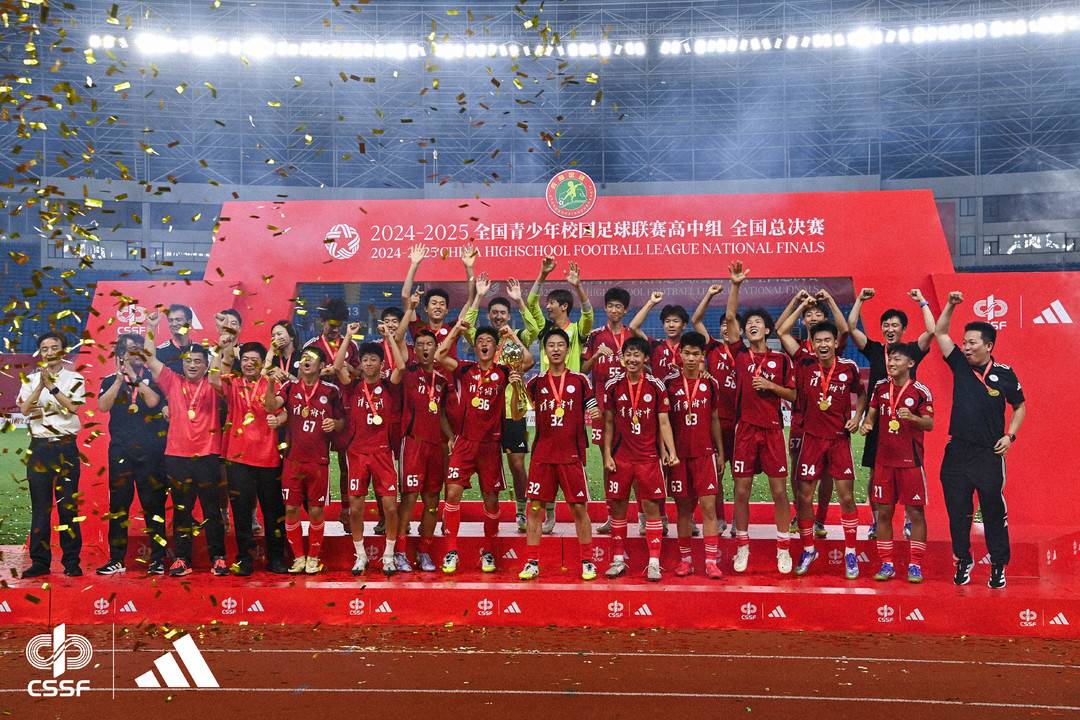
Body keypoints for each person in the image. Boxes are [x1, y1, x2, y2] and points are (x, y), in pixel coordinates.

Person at [934, 291, 1026, 589]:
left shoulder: (1005, 374)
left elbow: (1020, 406)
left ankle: (998, 565)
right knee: (957, 512)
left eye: (972, 343)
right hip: (957, 453)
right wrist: (951, 305)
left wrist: (1010, 435)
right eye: (965, 342)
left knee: (993, 511)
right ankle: (963, 559)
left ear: (989, 345)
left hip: (988, 454)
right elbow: (940, 333)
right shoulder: (959, 364)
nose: (966, 347)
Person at [435, 315, 531, 574]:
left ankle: (488, 552)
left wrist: (511, 336)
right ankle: (451, 551)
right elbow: (440, 355)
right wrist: (457, 329)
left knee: (491, 499)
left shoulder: (503, 371)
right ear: (475, 347)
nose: (484, 344)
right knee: (452, 493)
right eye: (480, 341)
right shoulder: (465, 369)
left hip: (490, 446)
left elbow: (528, 361)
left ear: (495, 346)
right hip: (465, 442)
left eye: (489, 341)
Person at [777, 317, 865, 579]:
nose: (823, 344)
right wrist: (800, 303)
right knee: (804, 497)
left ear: (836, 343)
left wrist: (857, 417)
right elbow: (782, 331)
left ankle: (850, 552)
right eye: (818, 341)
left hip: (839, 440)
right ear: (812, 344)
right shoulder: (804, 363)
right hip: (811, 440)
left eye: (828, 340)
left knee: (847, 497)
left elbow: (861, 393)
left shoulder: (849, 367)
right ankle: (808, 549)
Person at [724, 261, 796, 575]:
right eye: (749, 323)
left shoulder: (781, 359)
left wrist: (771, 387)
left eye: (758, 322)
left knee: (780, 492)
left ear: (767, 329)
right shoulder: (740, 354)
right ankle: (742, 548)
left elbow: (795, 396)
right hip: (745, 431)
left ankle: (783, 549)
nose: (752, 325)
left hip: (772, 431)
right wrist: (736, 284)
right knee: (741, 491)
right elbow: (730, 317)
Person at [143, 314, 227, 577]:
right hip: (177, 456)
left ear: (206, 365)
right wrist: (150, 327)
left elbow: (221, 367)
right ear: (182, 363)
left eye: (198, 361)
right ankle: (182, 559)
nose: (192, 365)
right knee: (182, 510)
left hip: (208, 455)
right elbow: (149, 358)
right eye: (188, 361)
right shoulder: (172, 381)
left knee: (212, 510)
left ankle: (218, 558)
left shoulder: (213, 384)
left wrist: (222, 341)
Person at [848, 288, 936, 539]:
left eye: (895, 325)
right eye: (886, 325)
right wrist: (860, 300)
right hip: (879, 421)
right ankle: (876, 521)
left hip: (907, 422)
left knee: (909, 473)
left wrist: (922, 302)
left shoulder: (911, 351)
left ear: (903, 329)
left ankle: (908, 520)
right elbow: (851, 327)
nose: (890, 329)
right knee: (875, 472)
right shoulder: (876, 350)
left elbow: (931, 331)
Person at [517, 329, 599, 581]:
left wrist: (596, 422)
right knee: (534, 509)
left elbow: (595, 410)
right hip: (543, 456)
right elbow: (519, 411)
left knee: (579, 508)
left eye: (560, 345)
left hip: (571, 456)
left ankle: (587, 561)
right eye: (550, 345)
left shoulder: (580, 381)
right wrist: (516, 385)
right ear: (545, 351)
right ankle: (532, 562)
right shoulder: (535, 382)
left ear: (567, 349)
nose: (555, 349)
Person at [602, 336, 678, 582]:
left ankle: (654, 562)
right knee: (618, 507)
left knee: (651, 508)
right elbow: (609, 423)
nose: (632, 359)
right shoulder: (613, 385)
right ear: (622, 357)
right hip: (621, 458)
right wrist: (607, 454)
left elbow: (663, 422)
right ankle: (617, 560)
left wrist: (671, 451)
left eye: (637, 355)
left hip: (648, 458)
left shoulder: (656, 385)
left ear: (645, 358)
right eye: (629, 354)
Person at [263, 346, 345, 574]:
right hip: (293, 460)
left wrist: (334, 424)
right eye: (304, 358)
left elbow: (342, 422)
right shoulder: (289, 387)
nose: (307, 361)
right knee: (291, 508)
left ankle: (313, 557)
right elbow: (271, 406)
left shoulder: (331, 391)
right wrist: (270, 384)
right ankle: (299, 557)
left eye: (312, 358)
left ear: (322, 366)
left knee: (316, 511)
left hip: (319, 461)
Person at [210, 337, 288, 575]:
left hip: (268, 457)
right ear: (240, 362)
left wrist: (278, 420)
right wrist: (220, 348)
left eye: (254, 360)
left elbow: (282, 412)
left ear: (262, 363)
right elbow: (213, 379)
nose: (249, 363)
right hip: (238, 458)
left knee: (273, 512)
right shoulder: (232, 383)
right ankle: (244, 558)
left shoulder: (271, 383)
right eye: (245, 359)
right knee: (241, 511)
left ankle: (277, 558)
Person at [858, 343, 934, 583]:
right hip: (884, 462)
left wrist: (913, 418)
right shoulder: (881, 387)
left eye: (897, 359)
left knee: (915, 512)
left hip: (910, 462)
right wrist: (867, 424)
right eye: (890, 359)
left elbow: (929, 424)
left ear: (910, 363)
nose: (891, 363)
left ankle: (915, 565)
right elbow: (871, 413)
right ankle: (887, 564)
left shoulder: (920, 391)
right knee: (883, 512)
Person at [777, 289, 850, 539]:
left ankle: (820, 518)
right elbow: (780, 330)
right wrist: (798, 303)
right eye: (809, 315)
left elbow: (844, 330)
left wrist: (830, 300)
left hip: (829, 422)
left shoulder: (831, 347)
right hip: (801, 419)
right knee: (798, 468)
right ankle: (800, 513)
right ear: (803, 321)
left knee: (827, 471)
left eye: (818, 314)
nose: (814, 317)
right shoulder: (801, 351)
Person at [95, 333, 168, 576]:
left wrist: (135, 379)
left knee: (154, 506)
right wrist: (119, 380)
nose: (134, 353)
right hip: (121, 452)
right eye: (128, 350)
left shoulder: (153, 378)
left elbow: (153, 401)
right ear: (120, 354)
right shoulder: (110, 380)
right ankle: (117, 559)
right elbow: (102, 406)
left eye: (137, 348)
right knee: (118, 506)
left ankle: (157, 559)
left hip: (151, 452)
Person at [465, 273, 532, 533]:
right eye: (494, 312)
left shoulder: (516, 339)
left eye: (503, 313)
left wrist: (519, 302)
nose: (498, 316)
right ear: (488, 315)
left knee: (517, 464)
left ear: (508, 316)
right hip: (486, 413)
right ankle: (490, 512)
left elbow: (532, 339)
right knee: (487, 465)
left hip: (512, 411)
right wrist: (479, 295)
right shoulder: (482, 339)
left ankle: (521, 509)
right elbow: (466, 325)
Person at [333, 329, 403, 577]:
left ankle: (389, 555)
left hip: (382, 453)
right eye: (365, 360)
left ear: (381, 364)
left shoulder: (389, 387)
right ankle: (360, 555)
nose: (369, 363)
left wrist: (391, 338)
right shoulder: (352, 388)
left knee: (390, 508)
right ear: (360, 364)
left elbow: (401, 367)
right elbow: (337, 365)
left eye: (374, 359)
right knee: (355, 508)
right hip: (357, 454)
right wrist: (348, 336)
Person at [18, 332, 86, 578]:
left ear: (63, 351)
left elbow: (73, 407)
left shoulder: (74, 378)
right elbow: (25, 409)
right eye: (44, 348)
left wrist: (52, 387)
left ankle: (71, 562)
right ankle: (40, 562)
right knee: (41, 509)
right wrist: (40, 385)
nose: (49, 352)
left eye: (54, 347)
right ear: (40, 353)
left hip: (65, 447)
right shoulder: (30, 380)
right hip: (39, 448)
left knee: (68, 507)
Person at [387, 322, 452, 573]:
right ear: (415, 350)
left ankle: (424, 551)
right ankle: (400, 551)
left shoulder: (442, 381)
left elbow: (442, 413)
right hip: (413, 443)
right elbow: (399, 356)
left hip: (435, 446)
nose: (425, 348)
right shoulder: (407, 375)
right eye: (421, 344)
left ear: (436, 348)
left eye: (429, 344)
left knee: (432, 500)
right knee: (410, 498)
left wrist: (450, 437)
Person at [664, 332, 726, 579]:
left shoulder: (711, 384)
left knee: (709, 508)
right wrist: (667, 452)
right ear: (679, 354)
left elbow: (714, 419)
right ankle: (686, 560)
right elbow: (663, 422)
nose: (691, 358)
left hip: (704, 455)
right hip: (679, 457)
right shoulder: (669, 384)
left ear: (702, 356)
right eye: (687, 353)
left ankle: (710, 561)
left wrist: (720, 451)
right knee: (684, 510)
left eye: (695, 354)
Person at [583, 286, 633, 537]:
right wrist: (595, 358)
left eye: (618, 306)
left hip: (631, 407)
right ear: (605, 308)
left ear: (625, 310)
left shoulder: (633, 335)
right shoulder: (595, 336)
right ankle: (611, 516)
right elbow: (583, 369)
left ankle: (644, 517)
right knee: (607, 461)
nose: (614, 310)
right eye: (610, 306)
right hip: (603, 409)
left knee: (638, 460)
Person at [304, 298, 356, 533]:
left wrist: (346, 368)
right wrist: (321, 373)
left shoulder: (351, 346)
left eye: (339, 324)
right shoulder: (312, 346)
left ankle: (346, 510)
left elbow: (357, 373)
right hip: (318, 411)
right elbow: (302, 377)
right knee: (317, 463)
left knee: (346, 465)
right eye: (331, 324)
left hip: (344, 411)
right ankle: (315, 513)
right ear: (322, 321)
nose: (335, 329)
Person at [690, 283, 738, 535]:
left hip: (739, 425)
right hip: (716, 422)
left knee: (741, 477)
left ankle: (739, 522)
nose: (726, 329)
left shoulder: (746, 353)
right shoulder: (713, 348)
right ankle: (719, 519)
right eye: (723, 326)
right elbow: (696, 320)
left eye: (731, 325)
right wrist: (709, 295)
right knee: (716, 475)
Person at [158, 304, 194, 374]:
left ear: (189, 323)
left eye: (178, 320)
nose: (174, 324)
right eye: (171, 320)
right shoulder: (160, 352)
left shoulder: (200, 350)